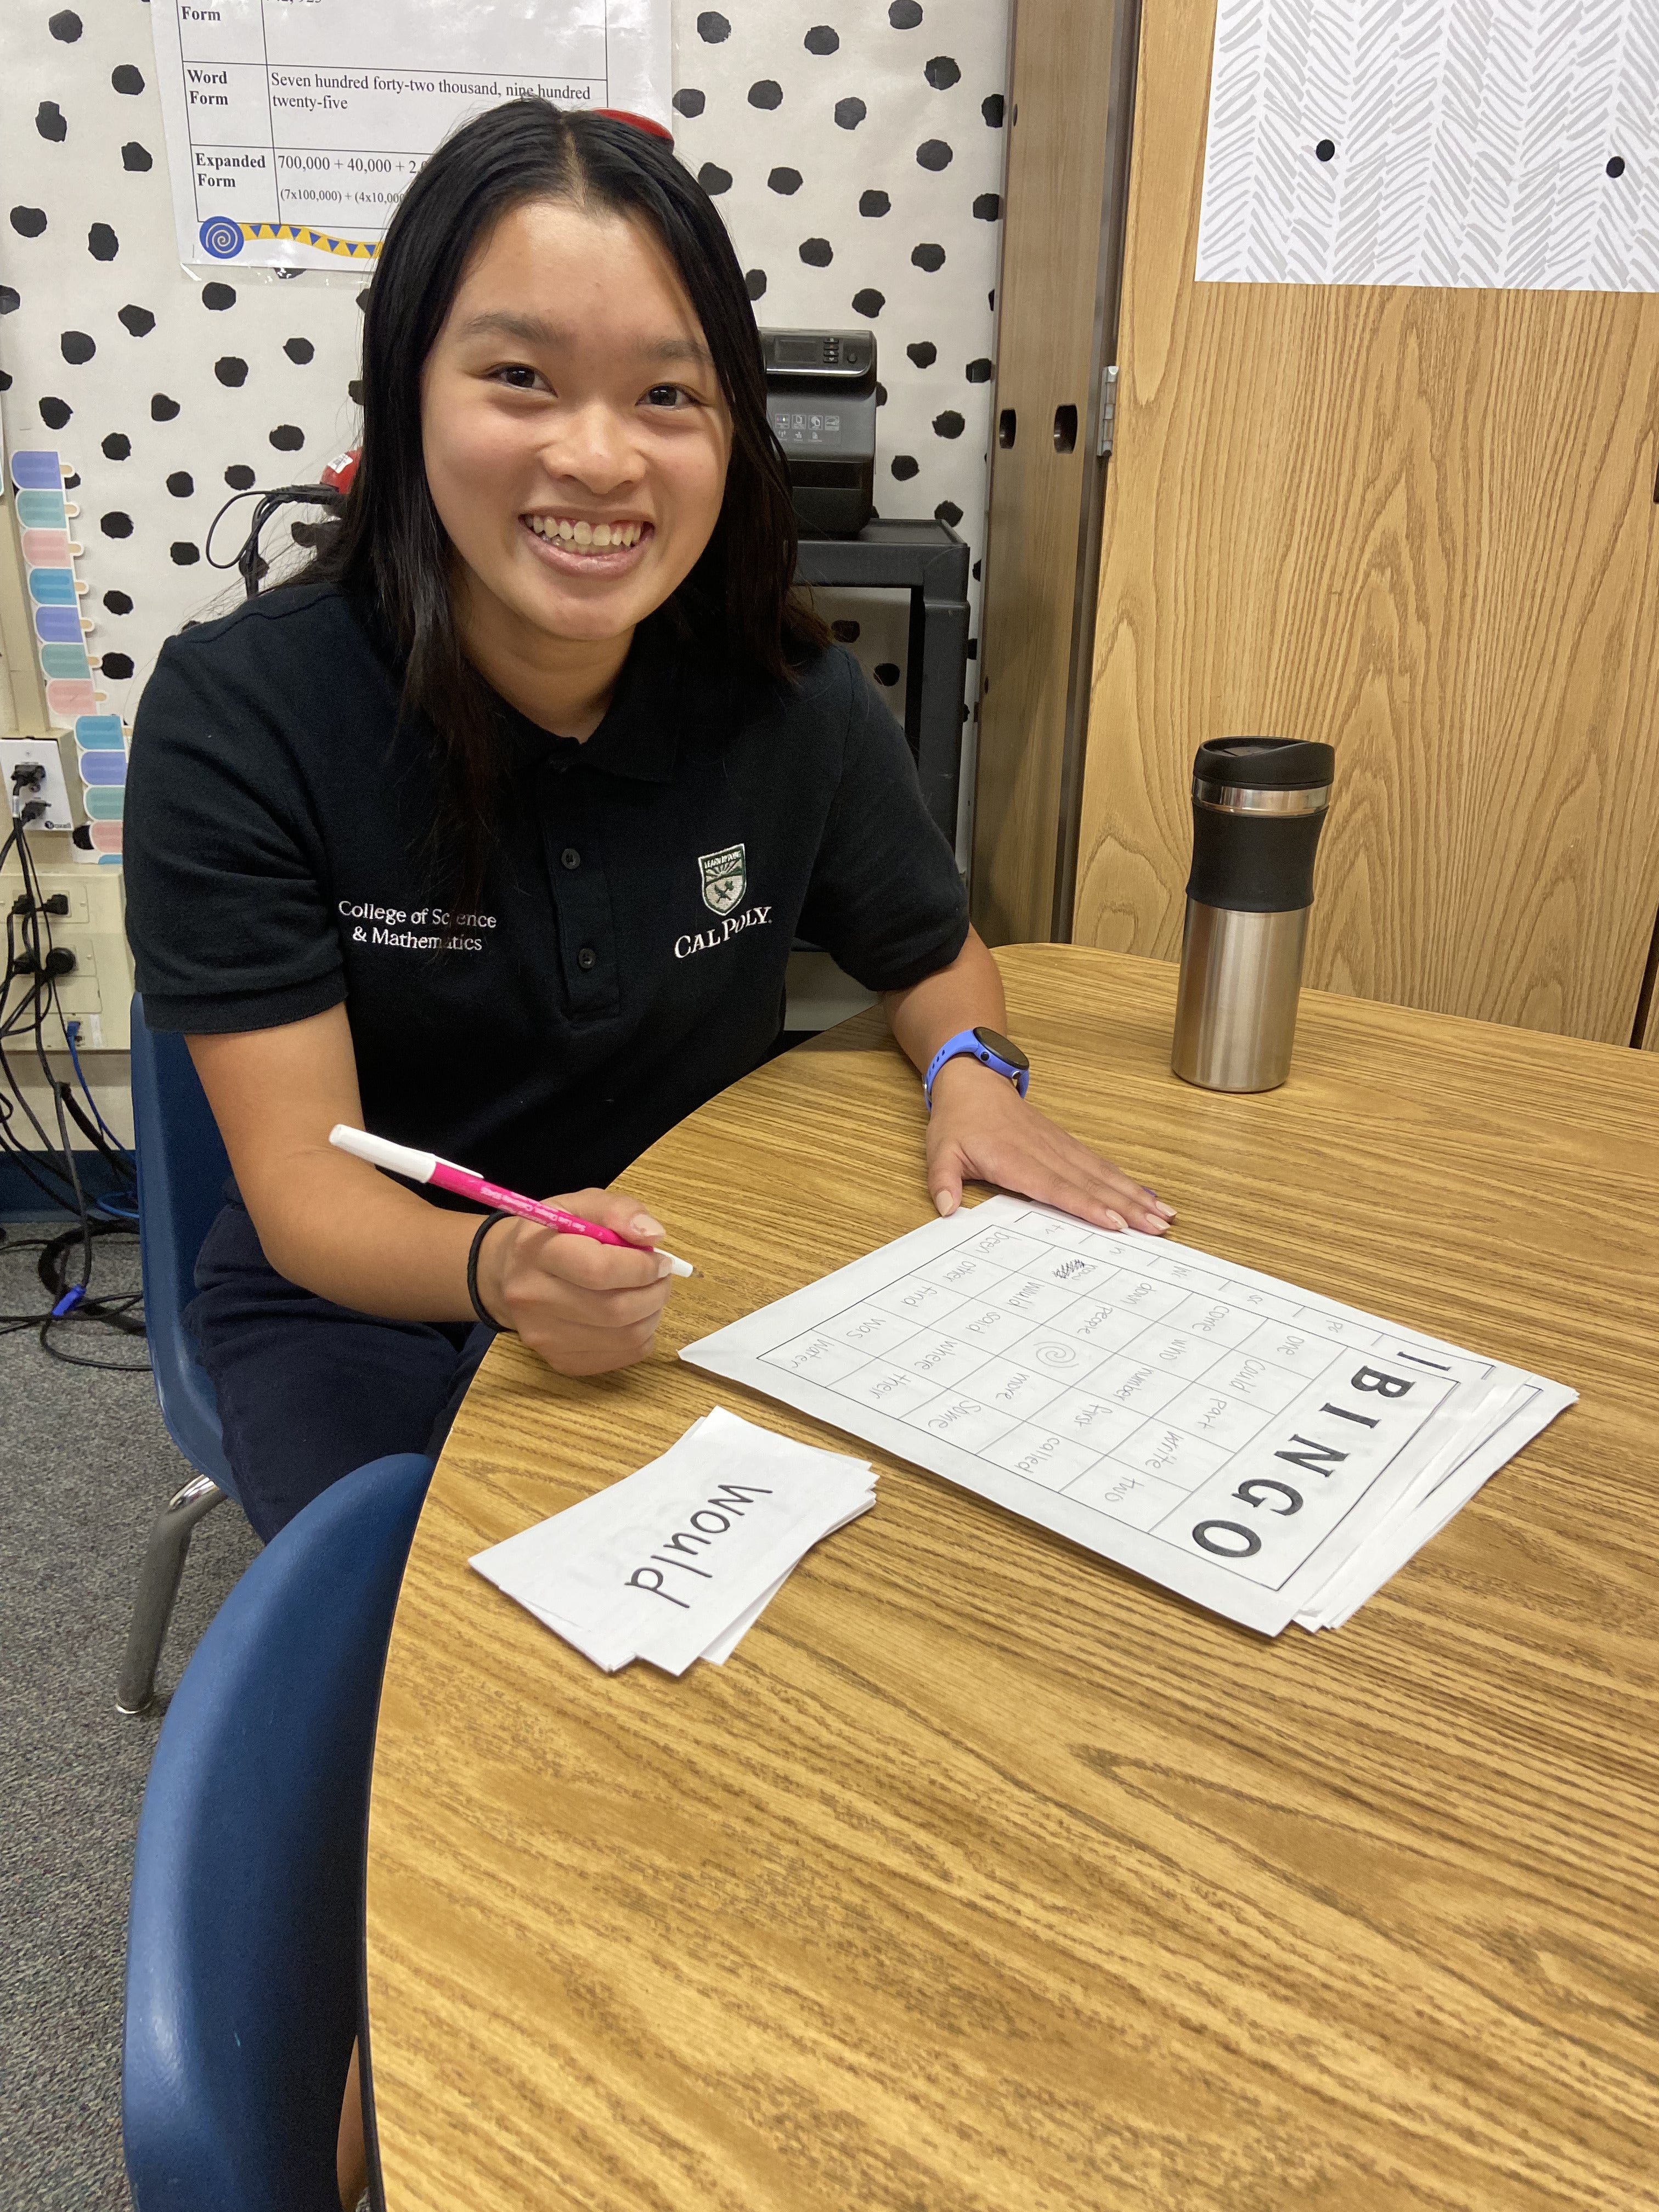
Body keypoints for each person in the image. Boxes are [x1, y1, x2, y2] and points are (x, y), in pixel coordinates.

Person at [124, 99, 1175, 1554]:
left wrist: (977, 1076)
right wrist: (501, 1267)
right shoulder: (245, 713)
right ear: (406, 392)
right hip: (360, 1297)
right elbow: (302, 1189)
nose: (603, 459)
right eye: (520, 379)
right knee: (442, 1648)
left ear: (730, 426)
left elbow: (934, 954)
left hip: (690, 1256)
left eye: (668, 398)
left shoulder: (789, 697)